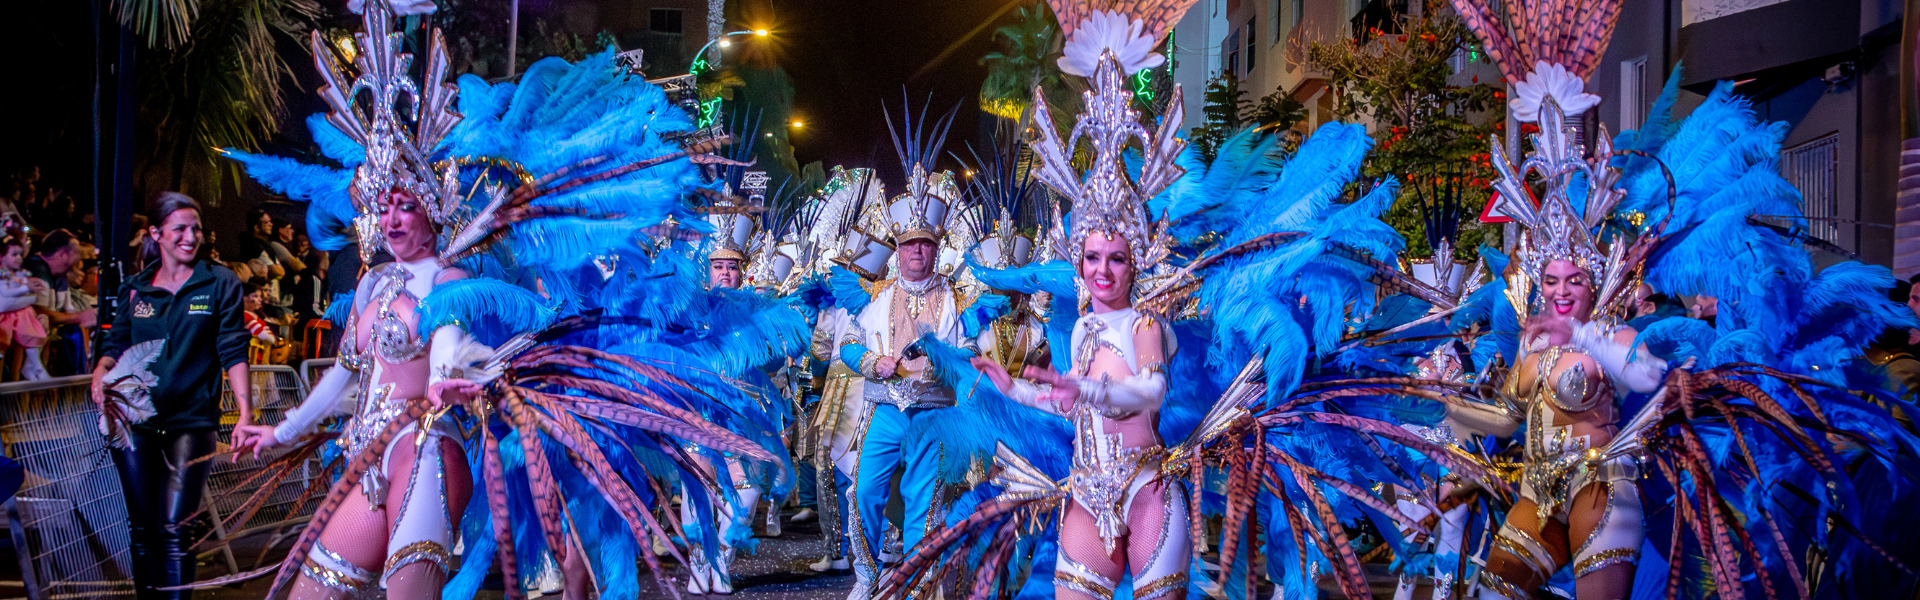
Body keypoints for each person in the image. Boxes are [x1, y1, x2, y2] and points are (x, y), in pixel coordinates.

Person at [231, 188, 475, 599]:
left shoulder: (447, 278)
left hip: (424, 447)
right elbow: (342, 373)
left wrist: (442, 377)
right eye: (383, 209)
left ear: (433, 211)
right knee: (311, 593)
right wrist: (282, 433)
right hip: (369, 458)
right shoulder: (372, 284)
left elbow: (449, 336)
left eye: (407, 207)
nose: (391, 220)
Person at [92, 192, 252, 599]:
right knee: (142, 526)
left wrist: (246, 411)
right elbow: (117, 346)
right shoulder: (136, 288)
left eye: (195, 228)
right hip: (133, 421)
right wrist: (100, 374)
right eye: (180, 228)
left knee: (176, 526)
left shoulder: (219, 282)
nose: (190, 236)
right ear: (156, 233)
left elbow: (232, 348)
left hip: (192, 420)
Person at [837, 142, 979, 599]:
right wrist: (872, 363)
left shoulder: (959, 299)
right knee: (861, 497)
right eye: (908, 244)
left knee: (925, 505)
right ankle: (867, 578)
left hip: (935, 415)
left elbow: (972, 354)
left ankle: (917, 585)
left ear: (937, 248)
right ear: (896, 249)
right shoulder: (876, 294)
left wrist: (949, 363)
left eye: (925, 243)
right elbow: (846, 344)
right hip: (885, 410)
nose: (917, 251)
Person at [0, 236, 50, 380]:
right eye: (14, 255)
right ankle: (34, 365)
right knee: (25, 312)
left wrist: (31, 288)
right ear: (2, 257)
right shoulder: (2, 274)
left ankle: (34, 364)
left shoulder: (16, 273)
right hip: (4, 319)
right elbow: (5, 294)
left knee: (32, 316)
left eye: (20, 255)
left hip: (14, 317)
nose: (19, 258)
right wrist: (25, 288)